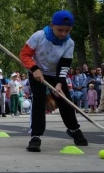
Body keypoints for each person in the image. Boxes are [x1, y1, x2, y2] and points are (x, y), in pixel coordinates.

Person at [19, 10, 88, 152]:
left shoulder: (69, 43)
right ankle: (36, 136)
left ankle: (73, 129)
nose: (63, 33)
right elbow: (24, 54)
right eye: (60, 30)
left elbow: (65, 64)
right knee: (38, 100)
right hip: (36, 72)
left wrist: (58, 83)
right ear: (52, 26)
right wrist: (34, 68)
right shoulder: (39, 36)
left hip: (56, 74)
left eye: (67, 30)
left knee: (65, 101)